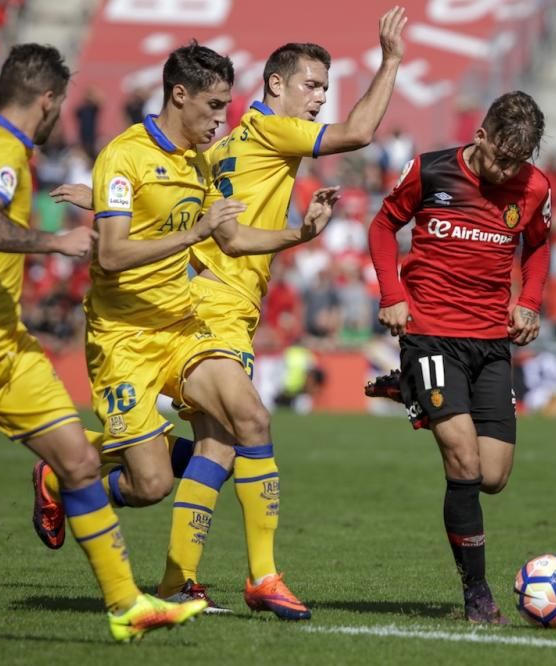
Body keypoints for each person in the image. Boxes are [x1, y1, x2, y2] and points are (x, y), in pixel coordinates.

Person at [38, 7, 408, 619]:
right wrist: (391, 60)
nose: (319, 98)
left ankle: (181, 580)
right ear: (275, 87)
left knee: (217, 450)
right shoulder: (269, 129)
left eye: (323, 87)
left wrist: (105, 197)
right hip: (211, 308)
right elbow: (359, 132)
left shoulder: (215, 149)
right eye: (312, 85)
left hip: (205, 304)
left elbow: (186, 202)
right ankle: (246, 576)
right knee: (227, 439)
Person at [0, 43, 207, 642]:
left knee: (80, 460)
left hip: (8, 345)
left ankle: (126, 607)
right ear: (49, 100)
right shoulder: (1, 149)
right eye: (60, 104)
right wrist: (55, 242)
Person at [367, 91, 552, 624]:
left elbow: (539, 245)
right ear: (481, 137)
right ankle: (476, 592)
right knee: (463, 463)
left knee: (493, 476)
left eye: (519, 162)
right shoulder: (430, 172)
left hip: (491, 340)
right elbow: (383, 227)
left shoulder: (535, 187)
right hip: (431, 333)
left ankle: (412, 391)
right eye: (501, 158)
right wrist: (392, 295)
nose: (507, 171)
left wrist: (530, 302)